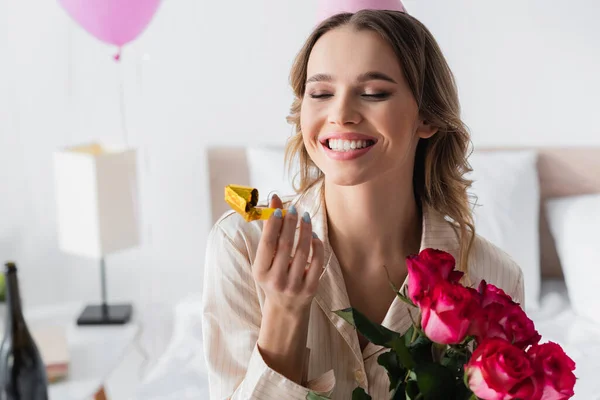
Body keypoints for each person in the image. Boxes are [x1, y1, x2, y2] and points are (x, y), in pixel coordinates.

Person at [201, 3, 525, 399]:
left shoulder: (492, 277)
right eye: (320, 93)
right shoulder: (241, 246)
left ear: (426, 116)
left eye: (373, 93)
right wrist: (285, 313)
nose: (340, 114)